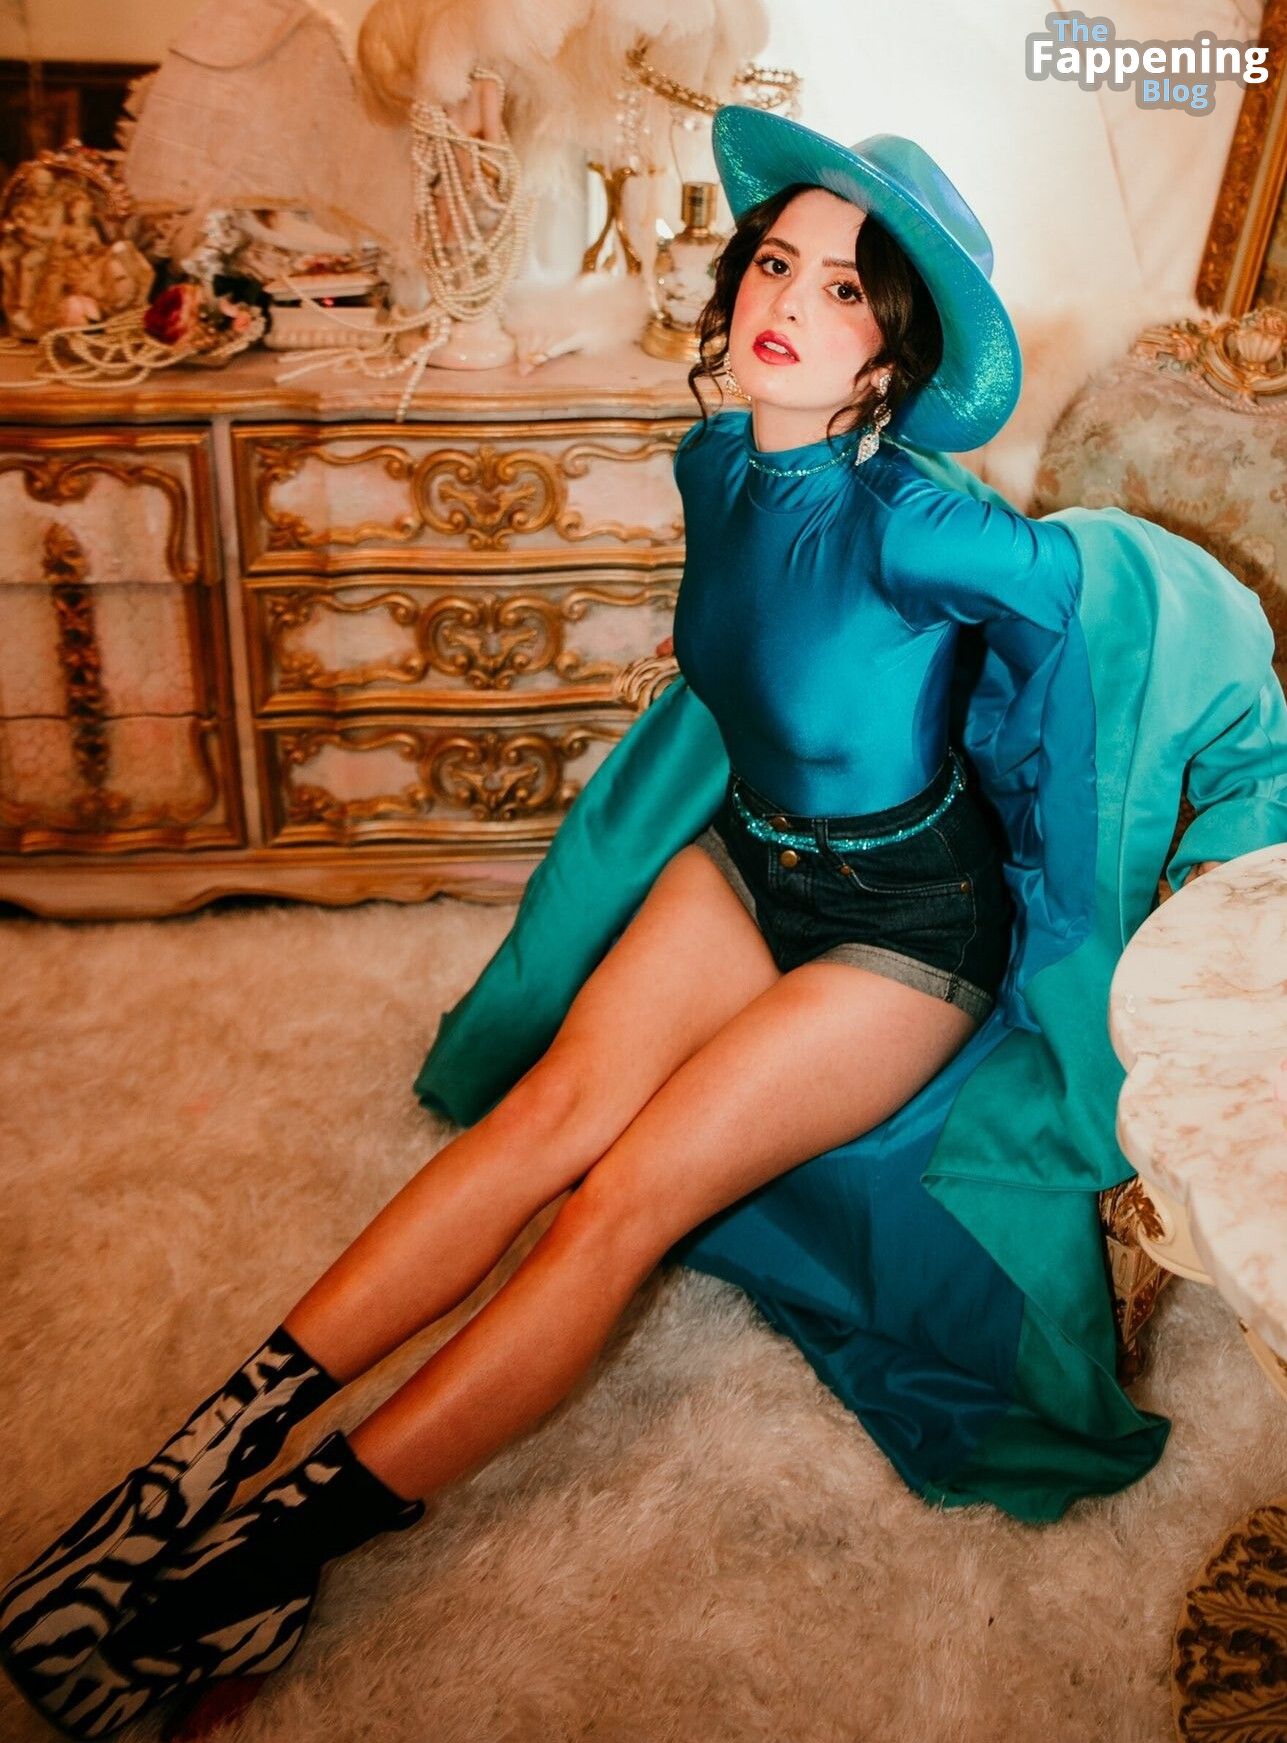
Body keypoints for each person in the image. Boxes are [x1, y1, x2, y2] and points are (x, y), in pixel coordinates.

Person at [4, 106, 1285, 1740]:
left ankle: (253, 1567)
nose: (788, 303)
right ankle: (188, 1472)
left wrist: (1188, 784)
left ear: (893, 352)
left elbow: (1130, 616)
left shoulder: (922, 519)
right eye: (775, 263)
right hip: (751, 862)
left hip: (906, 928)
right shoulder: (712, 461)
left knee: (613, 1207)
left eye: (843, 290)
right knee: (543, 1121)